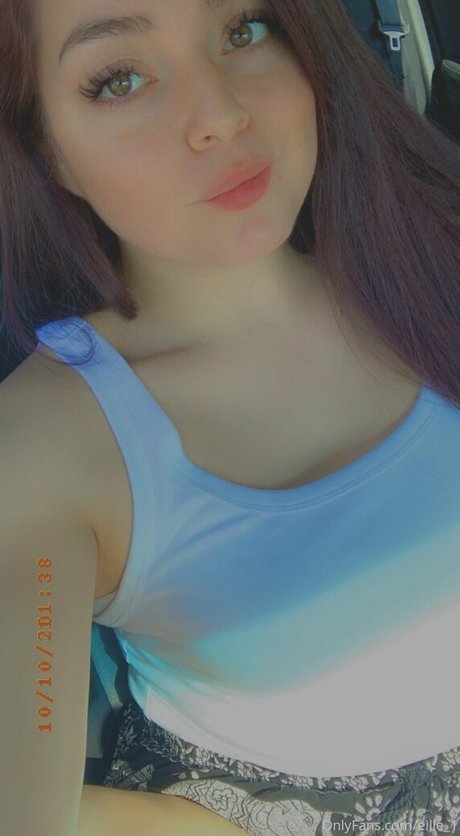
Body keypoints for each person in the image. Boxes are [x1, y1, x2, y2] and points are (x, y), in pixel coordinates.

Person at [1, 0, 459, 834]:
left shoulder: (436, 252)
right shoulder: (48, 445)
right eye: (120, 79)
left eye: (244, 29)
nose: (220, 112)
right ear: (48, 148)